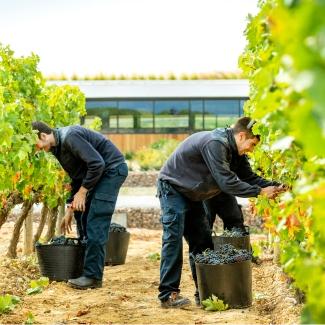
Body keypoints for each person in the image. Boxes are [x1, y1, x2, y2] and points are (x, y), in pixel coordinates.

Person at [157, 116, 286, 308]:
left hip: (194, 194)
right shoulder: (215, 143)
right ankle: (168, 295)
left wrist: (276, 186)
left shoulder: (237, 153)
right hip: (173, 188)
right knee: (173, 238)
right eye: (252, 144)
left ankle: (204, 292)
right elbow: (227, 182)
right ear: (241, 136)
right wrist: (260, 192)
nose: (252, 149)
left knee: (203, 242)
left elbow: (249, 177)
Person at [32, 121, 128, 289]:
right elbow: (77, 176)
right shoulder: (57, 148)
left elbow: (97, 164)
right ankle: (84, 269)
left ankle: (93, 277)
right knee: (81, 215)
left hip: (111, 170)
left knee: (95, 220)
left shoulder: (70, 137)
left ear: (43, 135)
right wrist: (70, 208)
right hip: (98, 174)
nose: (38, 149)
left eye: (37, 144)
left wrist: (82, 192)